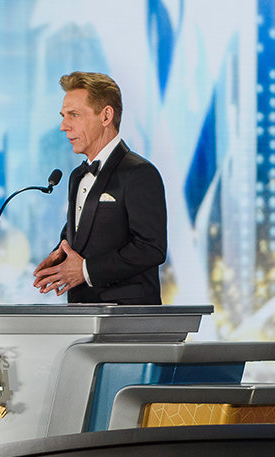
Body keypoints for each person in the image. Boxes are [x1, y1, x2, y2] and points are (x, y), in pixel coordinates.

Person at [33, 71, 167, 305]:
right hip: (81, 312)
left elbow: (151, 248)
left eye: (74, 115)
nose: (64, 126)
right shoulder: (77, 176)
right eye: (63, 116)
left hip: (127, 316)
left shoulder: (139, 173)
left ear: (106, 116)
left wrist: (86, 270)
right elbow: (83, 234)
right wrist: (60, 257)